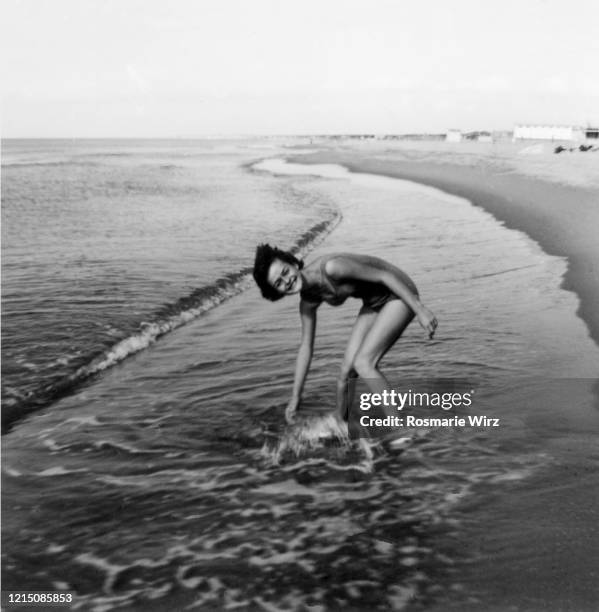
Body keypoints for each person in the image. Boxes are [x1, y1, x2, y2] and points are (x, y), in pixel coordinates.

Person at [253, 245, 438, 424]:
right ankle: (341, 424)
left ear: (292, 263)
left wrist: (420, 310)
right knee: (345, 374)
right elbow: (305, 347)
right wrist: (295, 397)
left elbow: (384, 275)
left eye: (285, 272)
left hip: (400, 292)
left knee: (364, 363)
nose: (287, 281)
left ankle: (399, 426)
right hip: (374, 302)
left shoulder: (332, 268)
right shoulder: (308, 301)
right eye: (279, 283)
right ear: (276, 291)